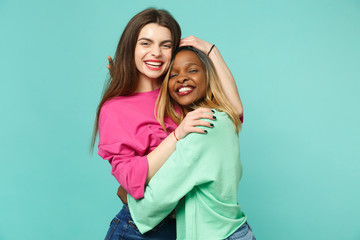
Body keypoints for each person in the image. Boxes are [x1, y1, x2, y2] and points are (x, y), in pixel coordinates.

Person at [91, 8, 243, 240]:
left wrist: (212, 51)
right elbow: (131, 179)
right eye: (146, 43)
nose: (156, 53)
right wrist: (177, 135)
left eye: (165, 45)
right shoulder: (114, 108)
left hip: (181, 226)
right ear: (131, 47)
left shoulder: (177, 93)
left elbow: (234, 113)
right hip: (138, 230)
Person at [127, 46, 255, 239]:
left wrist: (127, 195)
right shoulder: (225, 118)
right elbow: (237, 109)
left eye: (192, 70)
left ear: (209, 77)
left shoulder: (203, 127)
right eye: (173, 74)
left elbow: (155, 201)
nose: (182, 78)